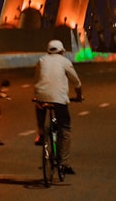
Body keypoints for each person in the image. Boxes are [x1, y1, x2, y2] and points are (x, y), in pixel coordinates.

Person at [33, 39, 83, 175]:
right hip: (59, 100)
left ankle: (41, 133)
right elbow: (77, 83)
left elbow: (37, 79)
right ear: (62, 51)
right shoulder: (65, 61)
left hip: (41, 97)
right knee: (65, 129)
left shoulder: (41, 60)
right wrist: (79, 96)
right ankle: (64, 163)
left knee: (39, 105)